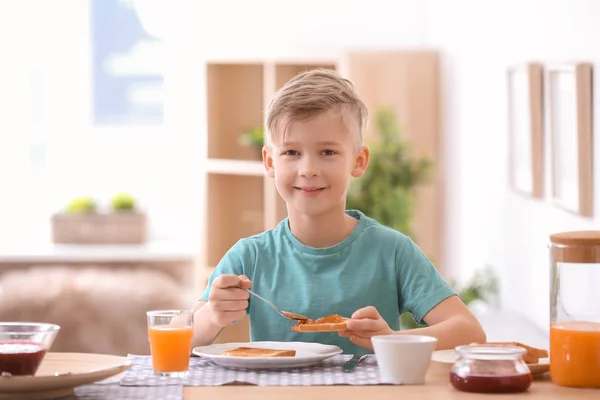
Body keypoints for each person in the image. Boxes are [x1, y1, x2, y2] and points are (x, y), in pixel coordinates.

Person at [192, 69, 486, 354]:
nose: (308, 170)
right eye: (291, 152)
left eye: (328, 152)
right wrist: (212, 316)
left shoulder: (393, 252)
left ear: (358, 161)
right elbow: (182, 341)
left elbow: (469, 331)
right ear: (270, 162)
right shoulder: (250, 257)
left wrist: (390, 341)